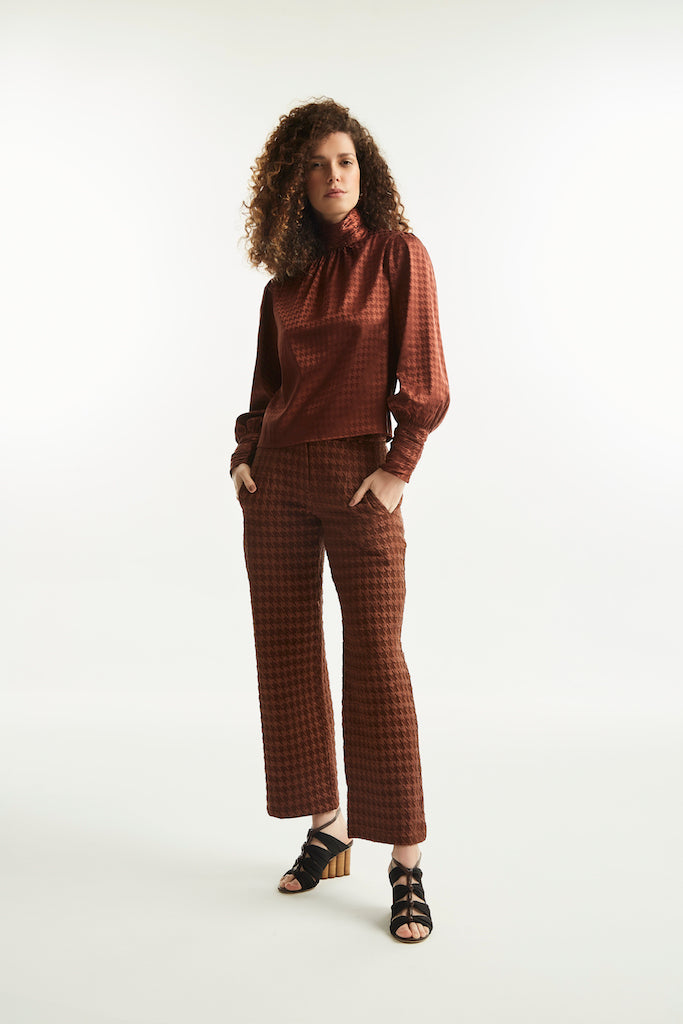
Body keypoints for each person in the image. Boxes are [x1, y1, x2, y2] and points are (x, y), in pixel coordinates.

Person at [229, 98, 450, 943]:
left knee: (376, 660)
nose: (332, 175)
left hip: (360, 478)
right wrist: (245, 455)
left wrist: (397, 467)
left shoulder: (397, 254)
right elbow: (264, 388)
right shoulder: (282, 284)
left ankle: (405, 862)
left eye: (345, 161)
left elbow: (423, 376)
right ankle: (327, 829)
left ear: (365, 170)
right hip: (278, 481)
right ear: (293, 181)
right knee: (286, 654)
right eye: (316, 164)